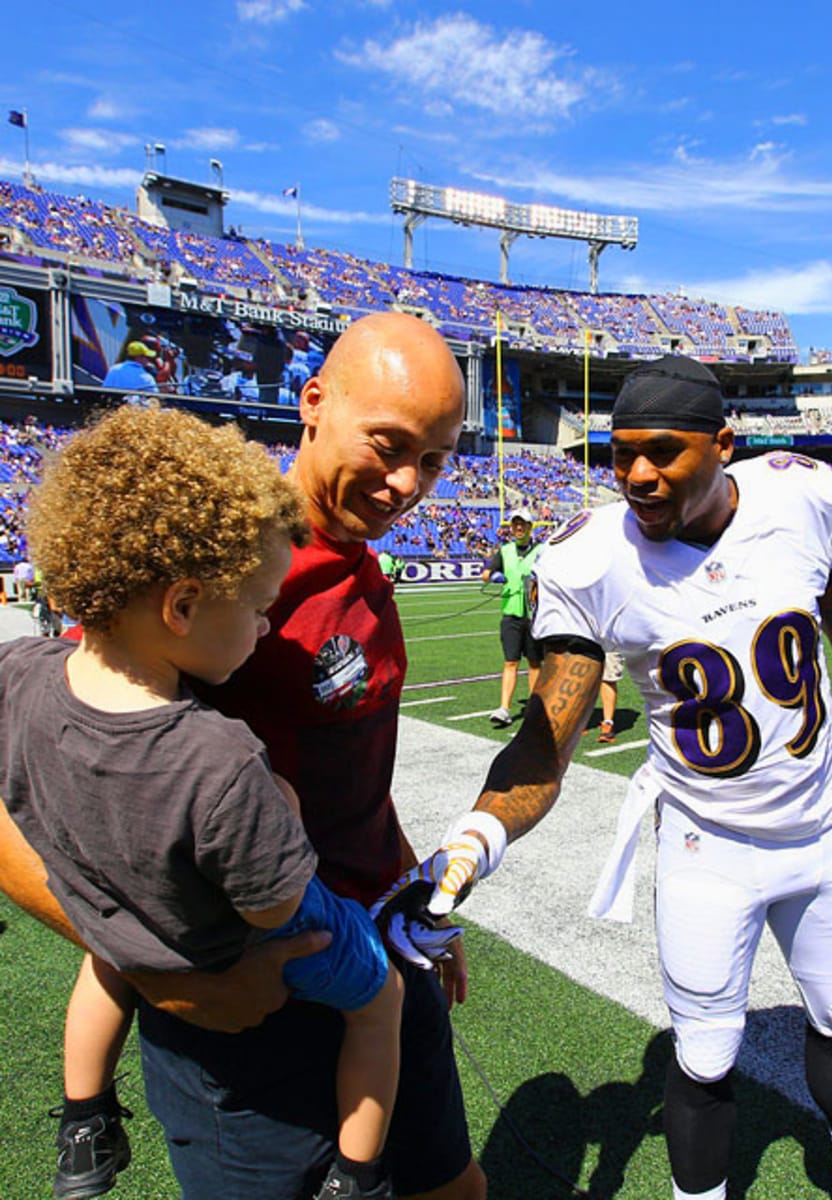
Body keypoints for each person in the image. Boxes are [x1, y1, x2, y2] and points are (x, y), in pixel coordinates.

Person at [398, 356, 832, 1200]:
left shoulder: (805, 498)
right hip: (708, 845)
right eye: (621, 455)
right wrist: (474, 838)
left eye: (661, 452)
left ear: (725, 444)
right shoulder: (590, 561)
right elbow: (547, 740)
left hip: (824, 828)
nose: (637, 476)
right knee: (705, 1055)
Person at [0, 312, 487, 1200]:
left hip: (376, 944)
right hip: (249, 996)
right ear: (313, 403)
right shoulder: (214, 559)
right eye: (388, 443)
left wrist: (408, 889)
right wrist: (165, 972)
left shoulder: (352, 554)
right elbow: (54, 774)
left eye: (438, 457)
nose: (408, 482)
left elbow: (345, 772)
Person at [480, 508, 542, 727]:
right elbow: (485, 574)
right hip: (511, 613)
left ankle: (534, 709)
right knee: (511, 661)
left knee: (535, 663)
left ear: (530, 527)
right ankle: (504, 708)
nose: (518, 528)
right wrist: (493, 576)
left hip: (535, 615)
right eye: (515, 524)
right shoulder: (505, 550)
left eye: (522, 524)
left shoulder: (542, 550)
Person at [596, 651, 624, 744]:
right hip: (585, 637)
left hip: (610, 640)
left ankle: (608, 724)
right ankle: (578, 721)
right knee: (581, 676)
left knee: (608, 677)